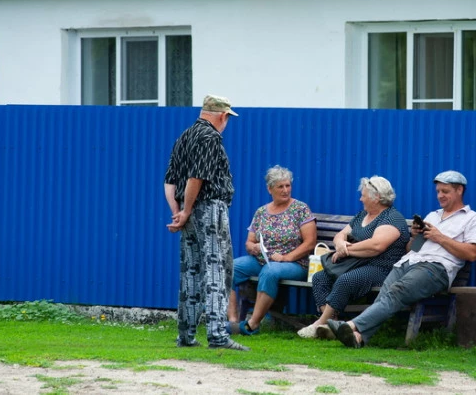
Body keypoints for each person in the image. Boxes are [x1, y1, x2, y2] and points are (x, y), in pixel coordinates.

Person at [325, 170, 476, 348]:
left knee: (397, 291)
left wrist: (439, 237)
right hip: (407, 262)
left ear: (460, 190)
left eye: (445, 192)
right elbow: (412, 249)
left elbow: (472, 253)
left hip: (435, 269)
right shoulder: (433, 216)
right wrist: (416, 236)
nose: (440, 195)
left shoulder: (472, 219)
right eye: (438, 191)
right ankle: (358, 337)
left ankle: (350, 325)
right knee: (385, 294)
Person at [164, 94, 248, 351]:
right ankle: (217, 335)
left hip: (187, 212)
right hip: (210, 209)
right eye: (227, 118)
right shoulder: (210, 137)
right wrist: (187, 210)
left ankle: (186, 336)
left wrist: (177, 211)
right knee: (217, 269)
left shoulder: (185, 135)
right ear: (222, 116)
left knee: (190, 270)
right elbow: (196, 178)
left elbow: (170, 180)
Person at [297, 176, 409, 339]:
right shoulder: (362, 215)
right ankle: (333, 322)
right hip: (355, 264)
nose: (360, 198)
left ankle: (320, 323)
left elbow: (376, 246)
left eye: (363, 195)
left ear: (376, 197)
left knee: (346, 280)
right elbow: (341, 234)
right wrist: (340, 243)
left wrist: (345, 250)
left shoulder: (392, 218)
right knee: (320, 277)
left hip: (381, 268)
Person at [227, 165, 317, 335]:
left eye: (288, 185)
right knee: (227, 268)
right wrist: (252, 247)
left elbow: (310, 242)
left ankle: (252, 325)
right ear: (269, 189)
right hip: (261, 260)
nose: (285, 190)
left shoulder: (300, 209)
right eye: (280, 186)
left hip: (295, 263)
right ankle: (232, 322)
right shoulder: (261, 212)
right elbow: (249, 241)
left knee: (270, 271)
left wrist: (285, 257)